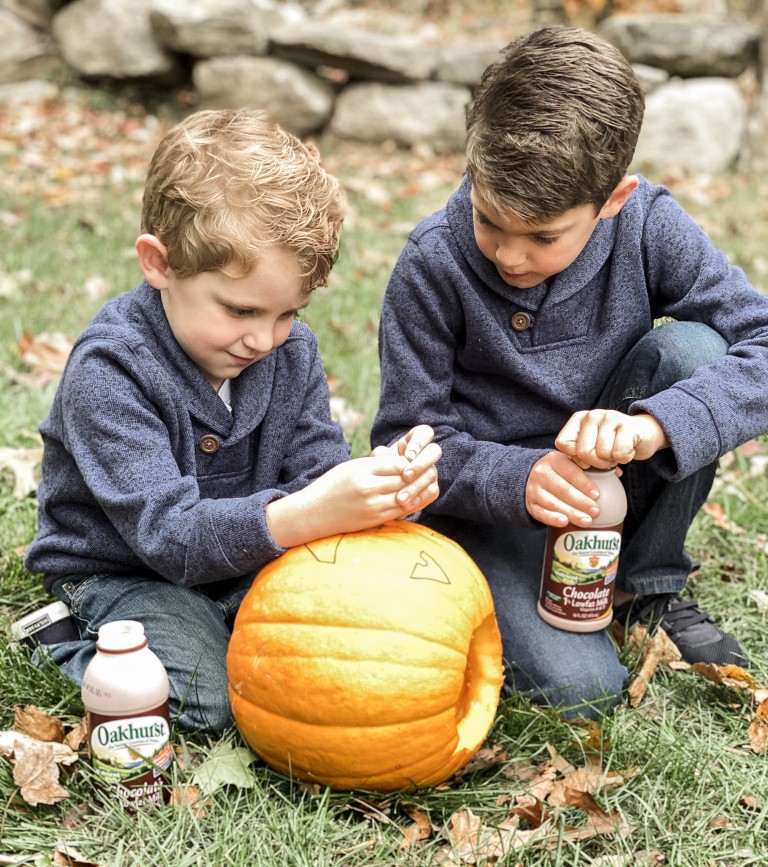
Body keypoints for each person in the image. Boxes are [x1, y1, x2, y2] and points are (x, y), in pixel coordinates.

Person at [371, 26, 767, 719]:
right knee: (580, 691)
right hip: (493, 514)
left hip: (612, 489)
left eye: (544, 236)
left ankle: (648, 584)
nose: (510, 256)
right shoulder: (433, 264)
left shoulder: (647, 226)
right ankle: (519, 588)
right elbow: (408, 440)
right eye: (491, 220)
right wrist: (518, 478)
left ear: (613, 199)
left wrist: (650, 427)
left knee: (694, 354)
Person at [21, 109, 441, 734]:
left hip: (245, 556)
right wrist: (307, 513)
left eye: (286, 313)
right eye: (241, 310)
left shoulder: (287, 354)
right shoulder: (112, 371)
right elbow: (169, 536)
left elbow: (316, 471)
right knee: (211, 700)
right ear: (159, 264)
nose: (263, 339)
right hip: (124, 568)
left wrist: (378, 488)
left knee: (337, 652)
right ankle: (64, 642)